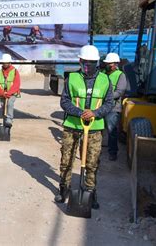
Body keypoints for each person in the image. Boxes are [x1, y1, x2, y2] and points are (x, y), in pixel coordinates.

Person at [54, 45, 114, 209]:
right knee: (67, 160)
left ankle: (90, 192)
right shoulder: (71, 78)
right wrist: (80, 112)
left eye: (92, 63)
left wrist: (95, 112)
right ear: (80, 61)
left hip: (94, 128)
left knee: (92, 162)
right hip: (72, 126)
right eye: (85, 63)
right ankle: (64, 189)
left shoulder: (104, 80)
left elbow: (110, 103)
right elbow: (64, 101)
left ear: (97, 63)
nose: (88, 66)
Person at [102, 53, 127, 161]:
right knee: (98, 129)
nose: (107, 65)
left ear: (115, 64)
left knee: (112, 131)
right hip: (100, 106)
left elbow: (120, 91)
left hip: (113, 107)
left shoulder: (120, 75)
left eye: (109, 63)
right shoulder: (102, 73)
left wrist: (108, 97)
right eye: (106, 63)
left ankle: (113, 152)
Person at [0, 54, 21, 135]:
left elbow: (17, 83)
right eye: (3, 62)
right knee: (3, 107)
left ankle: (9, 120)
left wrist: (9, 93)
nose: (4, 64)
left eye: (6, 62)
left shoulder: (15, 71)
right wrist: (1, 93)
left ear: (9, 63)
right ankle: (5, 122)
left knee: (9, 104)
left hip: (12, 93)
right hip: (2, 94)